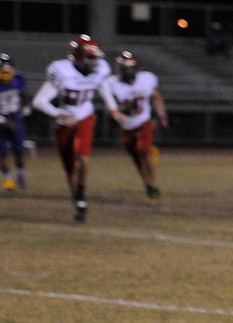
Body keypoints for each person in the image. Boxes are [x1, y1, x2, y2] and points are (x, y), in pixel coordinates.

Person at [32, 34, 126, 223]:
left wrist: (113, 108)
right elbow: (39, 101)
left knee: (83, 158)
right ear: (78, 57)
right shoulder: (62, 71)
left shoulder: (100, 69)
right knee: (70, 168)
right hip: (64, 122)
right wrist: (58, 113)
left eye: (95, 58)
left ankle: (81, 193)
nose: (94, 62)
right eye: (90, 57)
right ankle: (78, 201)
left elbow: (102, 87)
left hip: (85, 116)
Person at [104, 51, 168, 201]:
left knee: (144, 151)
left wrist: (161, 115)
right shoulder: (112, 84)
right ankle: (148, 184)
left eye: (131, 68)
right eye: (125, 68)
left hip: (143, 122)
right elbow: (110, 108)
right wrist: (117, 112)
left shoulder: (145, 79)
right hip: (126, 126)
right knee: (137, 158)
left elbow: (156, 97)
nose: (128, 71)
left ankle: (153, 183)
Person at [0, 52, 28, 191]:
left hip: (15, 118)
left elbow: (23, 94)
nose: (6, 74)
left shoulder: (18, 77)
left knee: (19, 150)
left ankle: (21, 176)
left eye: (8, 70)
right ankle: (8, 180)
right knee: (2, 153)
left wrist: (24, 110)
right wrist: (4, 121)